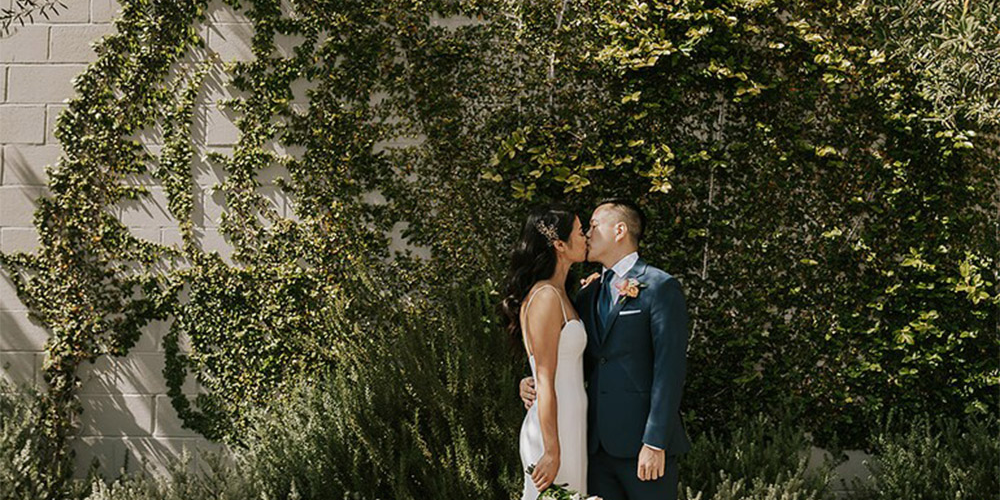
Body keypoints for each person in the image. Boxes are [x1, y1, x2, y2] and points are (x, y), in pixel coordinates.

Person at [519, 198, 692, 500]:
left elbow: (670, 369)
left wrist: (655, 442)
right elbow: (570, 356)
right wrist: (530, 380)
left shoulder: (660, 287)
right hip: (591, 446)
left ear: (620, 230)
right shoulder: (587, 293)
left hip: (643, 446)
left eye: (595, 226)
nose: (587, 234)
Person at [499, 204, 590, 500]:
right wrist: (551, 450)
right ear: (559, 244)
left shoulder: (561, 293)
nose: (587, 237)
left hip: (570, 422)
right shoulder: (546, 296)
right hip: (552, 429)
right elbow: (545, 379)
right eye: (580, 232)